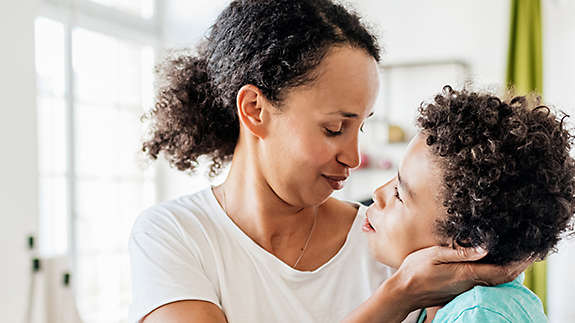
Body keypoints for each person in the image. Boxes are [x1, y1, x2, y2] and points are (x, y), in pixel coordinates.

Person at [128, 1, 529, 322]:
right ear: (254, 109)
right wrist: (396, 297)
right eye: (335, 128)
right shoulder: (174, 236)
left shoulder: (391, 242)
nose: (353, 158)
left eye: (361, 128)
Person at [349, 87, 575, 322]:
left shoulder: (480, 314)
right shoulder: (438, 305)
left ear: (467, 242)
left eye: (399, 194)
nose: (376, 194)